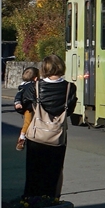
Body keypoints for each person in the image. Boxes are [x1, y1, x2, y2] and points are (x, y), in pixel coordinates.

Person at [21, 54, 77, 200]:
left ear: (44, 68)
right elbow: (70, 110)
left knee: (34, 173)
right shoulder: (70, 88)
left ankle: (31, 203)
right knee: (54, 172)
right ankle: (51, 203)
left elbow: (24, 106)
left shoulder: (35, 87)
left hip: (36, 136)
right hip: (57, 136)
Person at [12, 66, 40, 151]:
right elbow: (18, 96)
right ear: (35, 78)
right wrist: (17, 102)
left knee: (30, 123)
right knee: (27, 122)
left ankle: (30, 137)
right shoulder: (24, 86)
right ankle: (22, 138)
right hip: (29, 108)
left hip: (33, 107)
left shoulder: (26, 85)